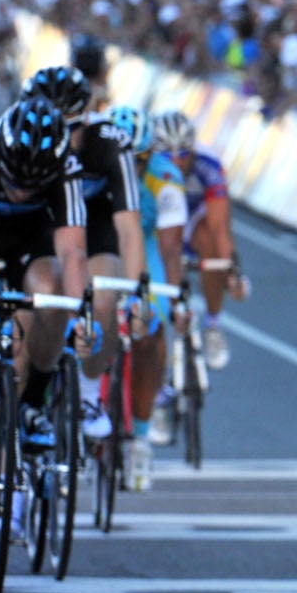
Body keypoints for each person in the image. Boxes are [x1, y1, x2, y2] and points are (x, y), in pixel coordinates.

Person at [21, 66, 145, 444]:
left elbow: (128, 227)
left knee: (105, 297)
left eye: (73, 127)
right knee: (47, 295)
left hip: (97, 223)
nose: (65, 138)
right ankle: (30, 398)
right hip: (45, 222)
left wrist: (137, 296)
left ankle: (90, 394)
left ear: (87, 117)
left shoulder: (110, 141)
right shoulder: (23, 138)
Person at [0, 96, 93, 541]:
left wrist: (80, 316)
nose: (21, 191)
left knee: (50, 294)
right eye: (15, 181)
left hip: (31, 242)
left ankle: (32, 401)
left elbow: (73, 252)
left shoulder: (66, 167)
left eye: (33, 185)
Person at [105, 105, 184, 491]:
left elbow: (170, 250)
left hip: (147, 244)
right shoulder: (89, 168)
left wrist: (178, 298)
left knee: (152, 327)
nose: (130, 167)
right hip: (104, 242)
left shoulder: (166, 178)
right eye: (122, 158)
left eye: (138, 160)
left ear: (150, 156)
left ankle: (139, 434)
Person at [151, 109, 250, 372]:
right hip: (159, 224)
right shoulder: (144, 166)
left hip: (193, 221)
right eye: (166, 155)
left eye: (182, 154)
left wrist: (231, 269)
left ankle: (213, 324)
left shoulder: (209, 165)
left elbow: (220, 227)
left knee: (209, 240)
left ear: (192, 150)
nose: (175, 162)